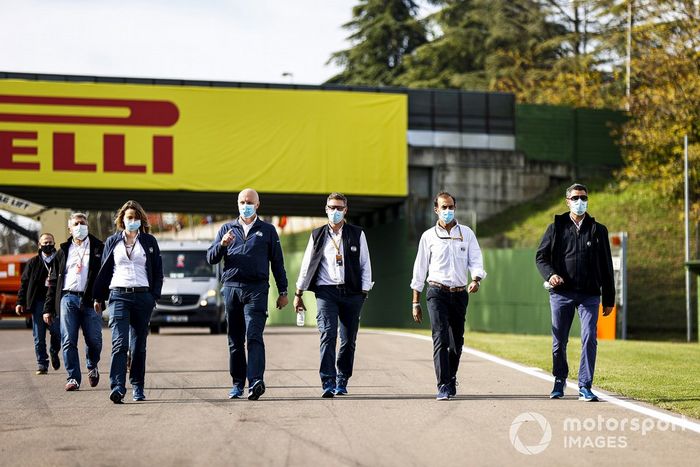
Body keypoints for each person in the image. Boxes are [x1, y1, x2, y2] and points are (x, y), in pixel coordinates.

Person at [536, 183, 615, 402]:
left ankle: (585, 385)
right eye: (575, 198)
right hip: (562, 293)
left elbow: (607, 266)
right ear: (567, 201)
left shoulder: (599, 230)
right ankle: (559, 380)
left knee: (590, 337)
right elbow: (541, 257)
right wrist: (550, 275)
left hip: (590, 294)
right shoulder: (556, 227)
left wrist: (609, 298)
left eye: (583, 197)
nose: (580, 201)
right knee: (559, 341)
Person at [207, 188, 288, 401]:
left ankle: (256, 381)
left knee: (253, 336)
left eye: (249, 202)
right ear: (237, 204)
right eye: (242, 202)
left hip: (257, 290)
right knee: (235, 340)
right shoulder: (226, 228)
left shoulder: (268, 230)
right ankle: (237, 384)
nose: (246, 205)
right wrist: (222, 245)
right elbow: (210, 258)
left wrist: (283, 291)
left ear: (257, 205)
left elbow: (278, 263)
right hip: (232, 288)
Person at [294, 193, 373, 398]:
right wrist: (298, 292)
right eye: (332, 207)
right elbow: (306, 265)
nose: (335, 211)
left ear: (346, 210)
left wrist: (363, 292)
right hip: (326, 292)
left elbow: (365, 264)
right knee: (328, 335)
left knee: (348, 340)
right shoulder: (317, 235)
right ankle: (327, 381)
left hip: (352, 292)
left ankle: (342, 379)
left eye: (339, 208)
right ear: (326, 209)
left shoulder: (357, 234)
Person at [410, 192, 486, 401]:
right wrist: (415, 302)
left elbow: (476, 259)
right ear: (436, 210)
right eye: (443, 207)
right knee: (440, 337)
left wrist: (476, 279)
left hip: (460, 293)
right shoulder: (428, 236)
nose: (447, 210)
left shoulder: (467, 234)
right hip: (436, 292)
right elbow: (419, 269)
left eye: (450, 206)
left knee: (456, 342)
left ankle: (451, 376)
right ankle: (443, 384)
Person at [93, 200, 163, 404]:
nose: (133, 221)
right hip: (119, 296)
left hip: (143, 297)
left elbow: (158, 271)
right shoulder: (112, 241)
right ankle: (117, 387)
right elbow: (104, 271)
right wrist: (99, 297)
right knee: (119, 343)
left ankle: (138, 386)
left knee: (138, 346)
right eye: (129, 217)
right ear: (122, 220)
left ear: (141, 220)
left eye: (136, 218)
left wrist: (153, 296)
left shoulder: (149, 241)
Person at [43, 213, 105, 392]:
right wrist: (48, 308)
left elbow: (104, 277)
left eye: (82, 223)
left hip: (91, 300)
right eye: (76, 224)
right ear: (69, 229)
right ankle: (73, 378)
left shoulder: (98, 247)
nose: (79, 226)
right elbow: (53, 282)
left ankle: (92, 364)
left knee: (94, 340)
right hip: (67, 298)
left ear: (88, 225)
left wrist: (100, 298)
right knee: (68, 339)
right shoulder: (62, 251)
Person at [16, 233, 61, 375]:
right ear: (39, 245)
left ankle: (54, 352)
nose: (48, 245)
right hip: (38, 303)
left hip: (55, 302)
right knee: (39, 336)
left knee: (57, 333)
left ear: (54, 243)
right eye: (45, 243)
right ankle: (42, 364)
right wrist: (20, 302)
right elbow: (24, 283)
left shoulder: (60, 261)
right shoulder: (33, 263)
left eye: (50, 242)